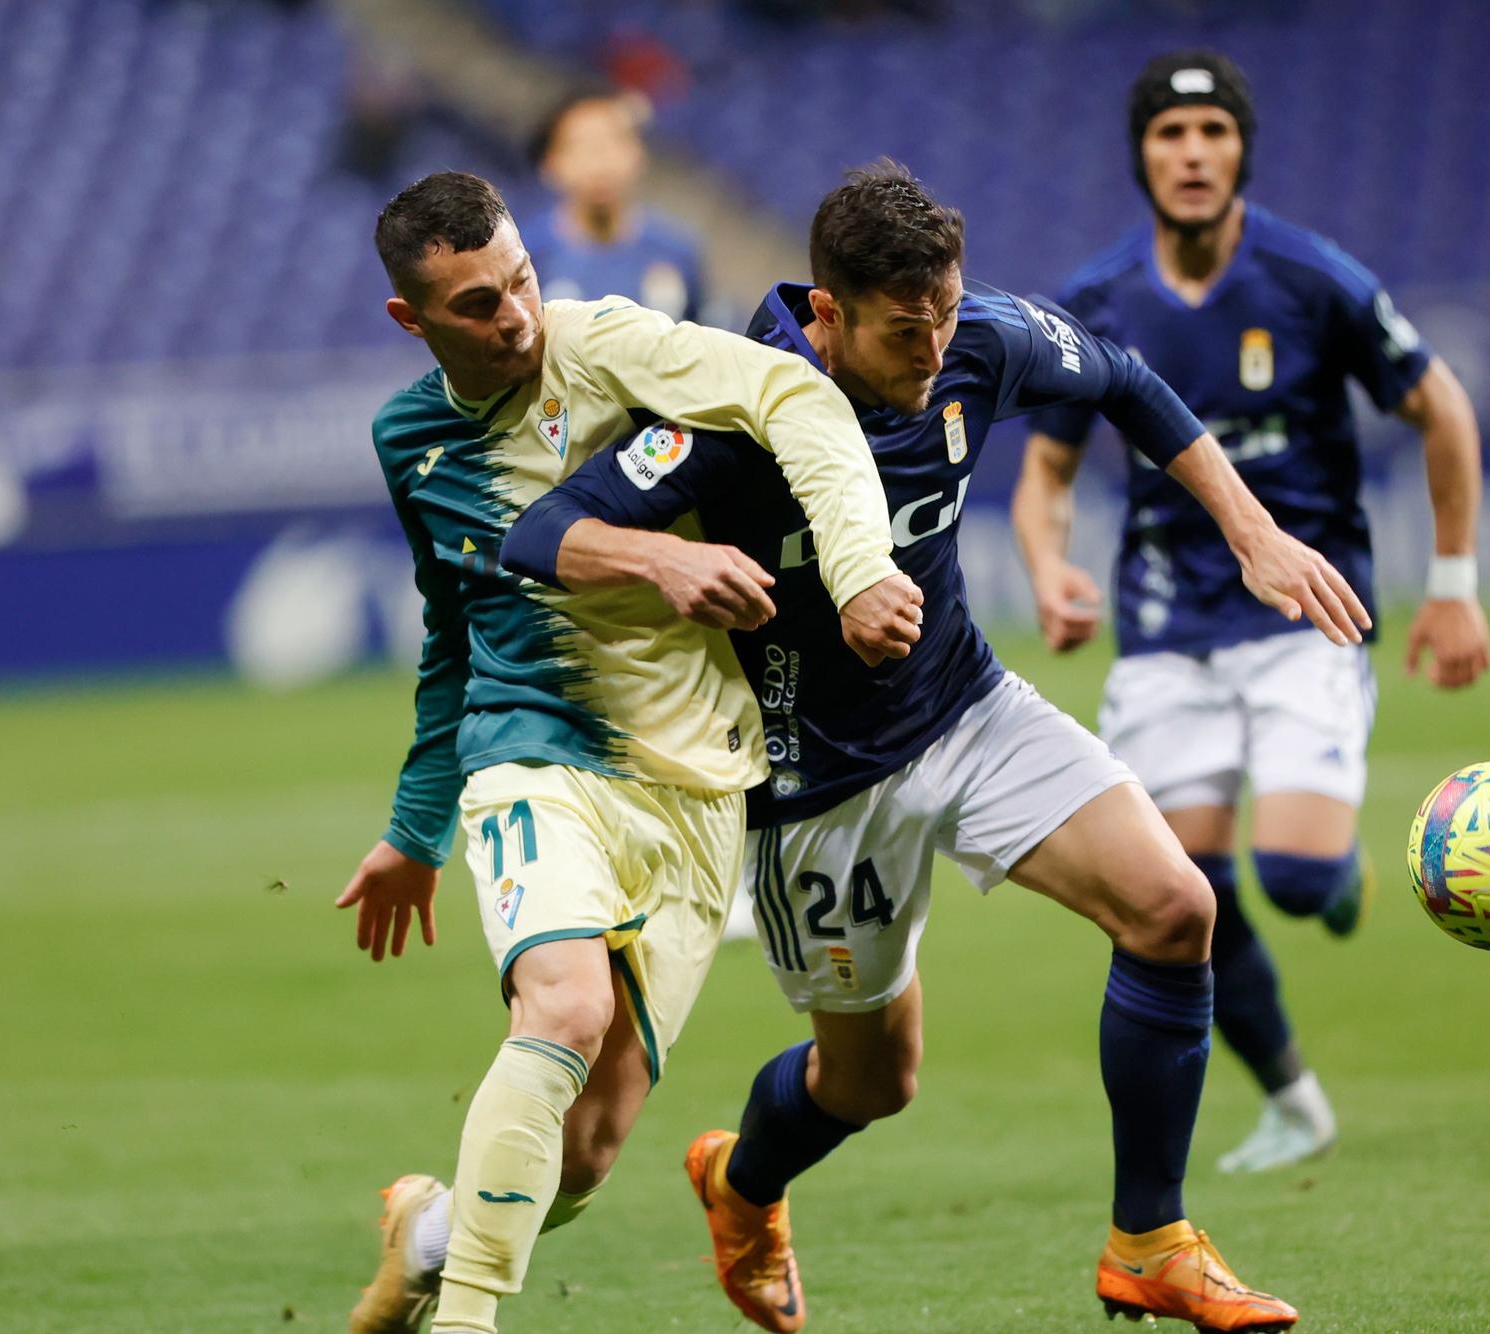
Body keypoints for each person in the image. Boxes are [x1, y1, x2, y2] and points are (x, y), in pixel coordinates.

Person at [500, 160, 1367, 1332]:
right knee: (872, 1081)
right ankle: (741, 1181)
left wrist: (1253, 531)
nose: (937, 348)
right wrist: (668, 559)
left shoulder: (978, 340)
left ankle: (1148, 1240)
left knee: (1173, 908)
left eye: (947, 313)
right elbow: (543, 530)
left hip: (967, 708)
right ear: (825, 314)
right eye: (906, 330)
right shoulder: (730, 408)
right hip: (817, 786)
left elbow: (1124, 377)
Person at [338, 170, 922, 1334]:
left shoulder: (605, 346)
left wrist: (860, 568)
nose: (514, 317)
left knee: (589, 1149)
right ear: (411, 318)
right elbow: (455, 635)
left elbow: (792, 397)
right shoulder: (408, 438)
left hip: (696, 782)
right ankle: (467, 1317)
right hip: (535, 746)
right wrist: (413, 830)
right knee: (558, 1009)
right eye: (475, 305)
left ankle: (433, 1233)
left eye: (519, 282)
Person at [1013, 50, 1490, 1175]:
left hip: (1304, 621)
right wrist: (1046, 568)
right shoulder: (1095, 300)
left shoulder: (1309, 278)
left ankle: (1332, 874)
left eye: (1213, 134)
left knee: (1287, 875)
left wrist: (1454, 587)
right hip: (1166, 631)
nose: (1192, 156)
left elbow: (1443, 408)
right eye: (1170, 136)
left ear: (1240, 150)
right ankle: (1295, 1102)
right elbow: (1043, 471)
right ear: (1140, 154)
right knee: (1179, 898)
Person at [528, 87, 705, 323]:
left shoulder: (677, 251)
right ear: (550, 164)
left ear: (638, 153)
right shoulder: (528, 258)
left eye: (612, 140)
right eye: (580, 145)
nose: (599, 159)